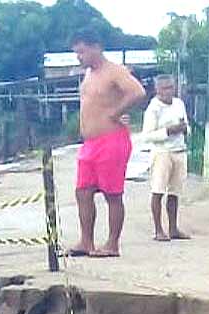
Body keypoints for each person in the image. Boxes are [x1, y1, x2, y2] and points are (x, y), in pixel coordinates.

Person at [69, 28, 147, 258]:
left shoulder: (114, 71)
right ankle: (86, 240)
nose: (79, 57)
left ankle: (112, 244)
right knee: (82, 192)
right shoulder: (89, 74)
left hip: (111, 140)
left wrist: (116, 112)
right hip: (90, 143)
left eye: (82, 52)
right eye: (76, 53)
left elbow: (137, 92)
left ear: (96, 47)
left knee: (112, 194)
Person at [141, 75, 191, 241]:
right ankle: (158, 230)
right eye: (164, 88)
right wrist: (168, 131)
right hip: (162, 152)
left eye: (171, 87)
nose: (168, 91)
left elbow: (185, 124)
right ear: (157, 90)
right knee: (158, 190)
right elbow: (147, 136)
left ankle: (173, 228)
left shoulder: (179, 103)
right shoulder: (153, 109)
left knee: (175, 192)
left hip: (179, 150)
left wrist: (184, 129)